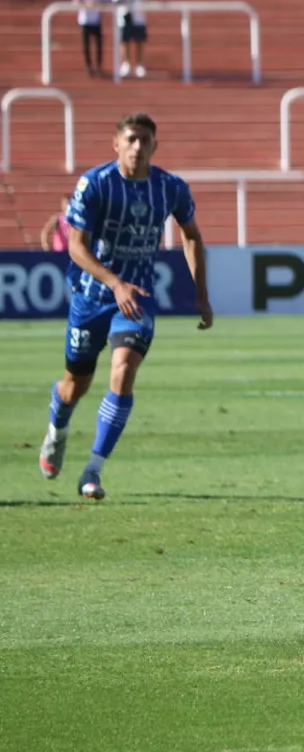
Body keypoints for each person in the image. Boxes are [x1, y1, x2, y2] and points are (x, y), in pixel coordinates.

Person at [39, 113, 213, 500]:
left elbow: (192, 236)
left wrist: (202, 293)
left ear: (155, 145)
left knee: (123, 370)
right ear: (116, 143)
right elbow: (76, 247)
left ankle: (93, 470)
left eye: (145, 140)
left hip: (137, 300)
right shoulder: (96, 184)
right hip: (91, 296)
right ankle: (57, 429)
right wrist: (114, 282)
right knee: (74, 386)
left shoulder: (170, 188)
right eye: (131, 139)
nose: (138, 146)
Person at [110, 0, 149, 79]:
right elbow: (115, 1)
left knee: (139, 41)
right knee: (124, 41)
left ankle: (139, 64)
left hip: (138, 17)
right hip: (124, 18)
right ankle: (125, 63)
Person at [72, 0, 108, 76]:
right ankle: (89, 66)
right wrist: (85, 2)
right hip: (85, 21)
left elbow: (106, 0)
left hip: (96, 20)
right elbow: (75, 1)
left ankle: (99, 66)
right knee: (86, 45)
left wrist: (98, 3)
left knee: (99, 44)